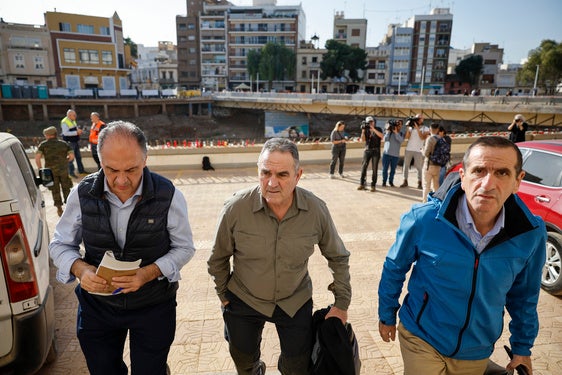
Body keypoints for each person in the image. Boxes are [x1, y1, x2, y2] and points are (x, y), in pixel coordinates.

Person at [378, 136, 546, 375]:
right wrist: (386, 314)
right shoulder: (423, 219)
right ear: (463, 177)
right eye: (479, 171)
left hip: (476, 350)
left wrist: (522, 347)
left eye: (502, 173)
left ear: (518, 181)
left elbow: (525, 296)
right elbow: (394, 267)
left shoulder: (531, 233)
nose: (488, 184)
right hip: (422, 336)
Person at [49, 121, 196, 375]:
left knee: (150, 370)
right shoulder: (81, 194)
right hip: (98, 308)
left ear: (145, 159)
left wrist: (148, 273)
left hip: (153, 304)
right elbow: (60, 245)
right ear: (99, 160)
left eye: (131, 169)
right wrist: (81, 270)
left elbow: (184, 248)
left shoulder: (168, 194)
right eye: (111, 170)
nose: (121, 180)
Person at [208, 137, 351, 375]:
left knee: (297, 368)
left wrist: (341, 304)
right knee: (244, 363)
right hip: (244, 299)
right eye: (265, 173)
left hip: (294, 301)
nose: (271, 183)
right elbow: (217, 259)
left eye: (282, 175)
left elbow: (338, 256)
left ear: (298, 175)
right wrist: (224, 296)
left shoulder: (316, 210)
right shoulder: (235, 208)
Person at [35, 126, 74, 217]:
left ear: (48, 135)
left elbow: (37, 158)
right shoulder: (64, 144)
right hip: (63, 170)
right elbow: (71, 156)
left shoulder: (43, 145)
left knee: (54, 189)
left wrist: (40, 168)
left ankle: (59, 208)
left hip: (50, 171)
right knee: (66, 187)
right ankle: (69, 207)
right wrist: (66, 161)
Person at [400, 114, 428, 189]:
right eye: (417, 118)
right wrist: (407, 128)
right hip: (409, 149)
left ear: (422, 119)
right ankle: (405, 180)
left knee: (419, 167)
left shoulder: (425, 128)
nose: (418, 120)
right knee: (406, 165)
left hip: (418, 150)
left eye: (420, 118)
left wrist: (417, 128)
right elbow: (406, 137)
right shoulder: (411, 128)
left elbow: (422, 138)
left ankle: (420, 182)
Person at [357, 116, 383, 192]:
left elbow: (382, 136)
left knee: (374, 169)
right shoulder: (366, 130)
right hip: (367, 150)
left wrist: (373, 129)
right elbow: (362, 140)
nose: (371, 123)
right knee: (364, 167)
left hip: (376, 151)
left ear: (374, 122)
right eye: (369, 122)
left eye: (372, 122)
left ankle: (373, 185)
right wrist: (363, 131)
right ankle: (362, 183)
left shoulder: (378, 129)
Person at [60, 109, 85, 177]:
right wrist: (76, 132)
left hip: (75, 141)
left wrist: (79, 131)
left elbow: (74, 128)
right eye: (74, 115)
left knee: (78, 157)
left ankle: (81, 171)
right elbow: (65, 133)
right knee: (71, 158)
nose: (75, 116)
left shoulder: (72, 120)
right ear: (69, 115)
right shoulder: (65, 122)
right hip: (70, 143)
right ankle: (71, 173)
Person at [421, 123, 441, 203]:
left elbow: (426, 153)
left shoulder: (430, 139)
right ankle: (436, 202)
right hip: (438, 165)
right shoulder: (441, 139)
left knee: (426, 185)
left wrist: (422, 150)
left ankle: (425, 202)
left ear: (430, 129)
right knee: (436, 186)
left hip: (429, 165)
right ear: (438, 130)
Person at [381, 119, 404, 187]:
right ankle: (384, 182)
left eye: (399, 125)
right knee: (385, 169)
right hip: (386, 154)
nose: (398, 126)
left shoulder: (401, 133)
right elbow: (385, 139)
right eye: (397, 124)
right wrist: (388, 131)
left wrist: (396, 132)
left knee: (393, 170)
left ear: (401, 126)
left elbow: (401, 140)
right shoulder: (389, 132)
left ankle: (391, 181)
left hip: (395, 155)